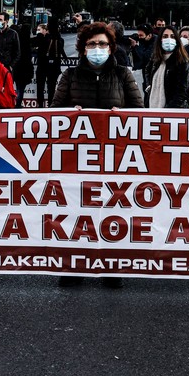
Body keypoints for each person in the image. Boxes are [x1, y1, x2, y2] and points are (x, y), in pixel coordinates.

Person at [52, 21, 142, 289]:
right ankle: (74, 266)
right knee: (76, 213)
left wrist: (123, 116)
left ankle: (111, 266)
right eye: (92, 44)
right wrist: (70, 114)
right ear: (83, 48)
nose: (97, 48)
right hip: (76, 158)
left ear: (111, 47)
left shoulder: (124, 74)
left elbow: (140, 112)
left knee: (112, 214)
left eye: (102, 43)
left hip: (115, 158)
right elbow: (54, 113)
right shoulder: (69, 76)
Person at [143, 26, 189, 108]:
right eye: (165, 36)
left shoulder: (181, 62)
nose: (169, 39)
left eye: (172, 36)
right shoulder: (155, 59)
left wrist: (169, 111)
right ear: (160, 39)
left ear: (177, 40)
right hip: (152, 108)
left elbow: (182, 92)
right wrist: (149, 86)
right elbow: (147, 70)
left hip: (171, 113)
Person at [32, 22, 64, 107]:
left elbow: (33, 45)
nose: (38, 32)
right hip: (54, 67)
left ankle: (40, 106)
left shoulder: (42, 38)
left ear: (47, 30)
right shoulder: (59, 39)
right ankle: (50, 106)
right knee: (51, 89)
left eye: (39, 30)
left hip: (42, 66)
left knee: (40, 88)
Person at [13, 22, 34, 107]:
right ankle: (18, 104)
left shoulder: (17, 40)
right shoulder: (28, 42)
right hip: (25, 69)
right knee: (20, 89)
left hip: (16, 67)